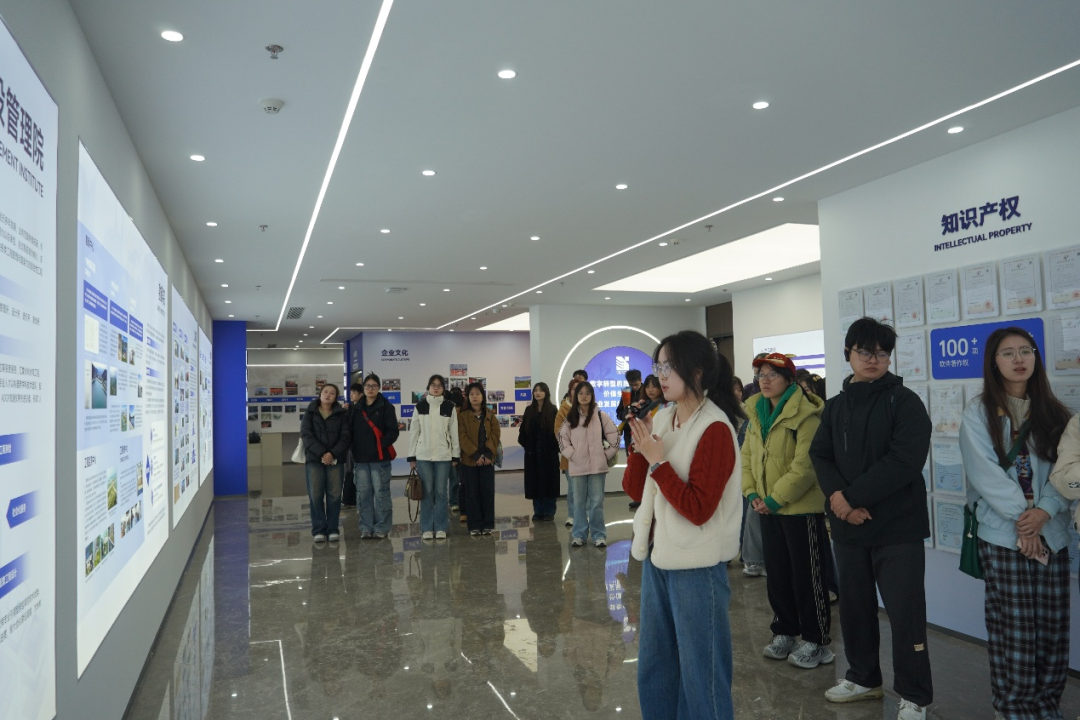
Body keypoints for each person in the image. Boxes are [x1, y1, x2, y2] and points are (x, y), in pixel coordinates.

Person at [809, 317, 932, 720]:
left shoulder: (905, 402)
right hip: (849, 526)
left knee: (905, 613)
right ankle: (863, 677)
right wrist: (839, 499)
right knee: (855, 608)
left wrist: (850, 497)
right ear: (849, 354)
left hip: (898, 527)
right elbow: (820, 454)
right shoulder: (835, 406)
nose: (873, 359)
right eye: (865, 352)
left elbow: (905, 461)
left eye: (881, 353)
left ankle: (914, 695)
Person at [622, 330, 746, 719]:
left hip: (697, 564)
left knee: (701, 673)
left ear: (696, 372)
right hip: (659, 556)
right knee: (656, 664)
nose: (660, 375)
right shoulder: (663, 416)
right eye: (657, 366)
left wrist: (658, 462)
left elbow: (698, 508)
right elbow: (634, 489)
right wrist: (640, 446)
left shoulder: (715, 427)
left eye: (668, 367)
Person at [961, 327, 1072, 720]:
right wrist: (1025, 522)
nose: (1018, 359)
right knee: (1015, 630)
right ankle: (1013, 708)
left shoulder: (1055, 413)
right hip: (1003, 536)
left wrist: (1044, 513)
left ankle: (1046, 706)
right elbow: (984, 474)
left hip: (1051, 533)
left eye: (1026, 351)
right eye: (1007, 353)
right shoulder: (978, 412)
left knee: (1053, 629)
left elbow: (1068, 471)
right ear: (994, 362)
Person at [741, 353, 831, 668]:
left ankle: (817, 641)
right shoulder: (756, 413)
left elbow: (805, 467)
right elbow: (747, 457)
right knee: (777, 575)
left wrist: (774, 499)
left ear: (790, 380)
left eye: (772, 375)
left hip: (799, 509)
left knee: (808, 577)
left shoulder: (807, 415)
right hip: (767, 507)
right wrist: (752, 492)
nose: (764, 381)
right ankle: (785, 631)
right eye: (760, 374)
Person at [558, 381, 619, 547]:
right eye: (581, 393)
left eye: (587, 393)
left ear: (592, 396)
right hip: (577, 467)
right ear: (575, 396)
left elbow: (614, 435)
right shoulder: (571, 417)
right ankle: (579, 535)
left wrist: (606, 455)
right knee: (578, 504)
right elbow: (562, 438)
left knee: (596, 503)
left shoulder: (600, 415)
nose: (584, 396)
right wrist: (572, 455)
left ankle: (599, 535)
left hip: (597, 468)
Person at [408, 374, 461, 540]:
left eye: (439, 385)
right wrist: (411, 456)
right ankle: (426, 528)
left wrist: (455, 455)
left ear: (443, 389)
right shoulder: (420, 406)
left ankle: (441, 527)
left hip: (443, 456)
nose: (436, 388)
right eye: (433, 385)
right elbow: (414, 431)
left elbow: (454, 432)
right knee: (427, 492)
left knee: (441, 492)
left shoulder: (449, 407)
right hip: (423, 455)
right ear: (428, 387)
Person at [349, 373, 399, 540]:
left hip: (380, 458)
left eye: (374, 386)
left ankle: (382, 527)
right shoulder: (356, 408)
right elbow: (349, 431)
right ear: (363, 388)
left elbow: (393, 431)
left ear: (379, 388)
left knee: (381, 493)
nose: (371, 389)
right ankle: (366, 527)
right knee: (363, 494)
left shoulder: (386, 407)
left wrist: (380, 445)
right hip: (361, 459)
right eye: (368, 386)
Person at [300, 383, 351, 543]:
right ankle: (319, 530)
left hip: (335, 460)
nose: (328, 395)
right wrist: (323, 453)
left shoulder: (341, 415)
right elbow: (306, 435)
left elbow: (345, 437)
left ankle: (333, 529)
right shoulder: (310, 413)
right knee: (315, 495)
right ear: (320, 394)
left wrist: (332, 454)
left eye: (332, 393)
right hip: (314, 460)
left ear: (336, 397)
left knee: (334, 495)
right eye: (325, 392)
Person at [458, 381, 500, 536]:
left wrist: (488, 454)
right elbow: (462, 437)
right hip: (470, 461)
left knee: (487, 493)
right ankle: (474, 525)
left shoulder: (490, 415)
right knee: (472, 493)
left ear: (483, 396)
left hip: (487, 460)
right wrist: (475, 455)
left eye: (477, 393)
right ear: (467, 397)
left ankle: (487, 524)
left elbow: (495, 435)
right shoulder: (462, 416)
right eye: (471, 394)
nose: (474, 397)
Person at [520, 382, 560, 521]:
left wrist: (553, 448)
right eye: (535, 390)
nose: (538, 393)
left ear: (546, 393)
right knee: (534, 482)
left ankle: (549, 511)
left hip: (549, 453)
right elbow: (523, 432)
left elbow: (557, 432)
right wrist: (528, 446)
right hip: (532, 454)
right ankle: (538, 511)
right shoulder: (529, 410)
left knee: (549, 481)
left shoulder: (553, 410)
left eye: (541, 390)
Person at [555, 378, 581, 527]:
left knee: (586, 489)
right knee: (573, 488)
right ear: (570, 391)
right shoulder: (563, 409)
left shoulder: (589, 409)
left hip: (587, 456)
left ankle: (584, 515)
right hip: (570, 456)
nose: (578, 392)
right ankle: (572, 515)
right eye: (574, 389)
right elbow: (558, 432)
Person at [448, 387, 466, 515]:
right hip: (452, 453)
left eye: (458, 407)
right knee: (454, 479)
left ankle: (459, 502)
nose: (456, 409)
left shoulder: (464, 416)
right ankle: (454, 502)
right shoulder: (448, 416)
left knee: (461, 480)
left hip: (463, 452)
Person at [616, 368, 645, 447]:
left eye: (636, 384)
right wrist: (626, 414)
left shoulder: (646, 392)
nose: (634, 387)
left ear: (641, 380)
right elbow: (619, 412)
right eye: (631, 385)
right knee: (629, 453)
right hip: (628, 430)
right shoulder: (626, 393)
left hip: (643, 429)